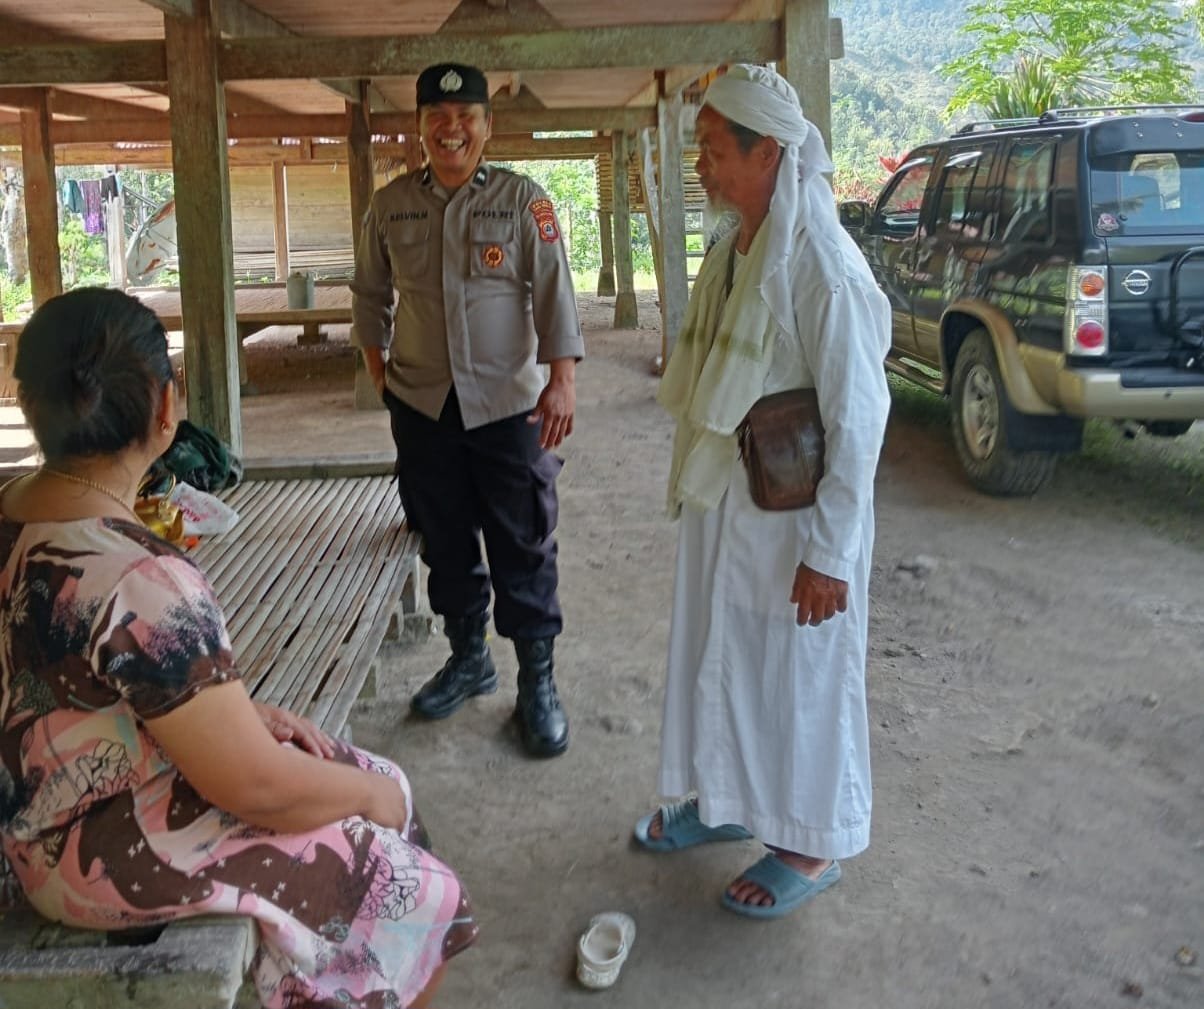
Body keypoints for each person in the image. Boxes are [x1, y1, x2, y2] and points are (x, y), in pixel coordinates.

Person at [0, 288, 477, 1008]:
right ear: (167, 408)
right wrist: (369, 796)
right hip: (85, 853)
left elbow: (81, 691)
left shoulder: (17, 511)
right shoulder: (142, 577)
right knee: (419, 883)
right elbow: (254, 786)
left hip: (42, 809)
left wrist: (232, 717)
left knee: (355, 775)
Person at [633, 65, 892, 919]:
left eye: (712, 151)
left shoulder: (822, 266)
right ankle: (724, 801)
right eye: (700, 150)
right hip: (731, 506)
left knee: (798, 677)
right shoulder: (738, 245)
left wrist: (830, 554)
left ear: (769, 152)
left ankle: (812, 847)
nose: (699, 166)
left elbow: (859, 417)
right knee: (726, 657)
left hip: (797, 529)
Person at [351, 62, 584, 758]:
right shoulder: (390, 204)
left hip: (509, 405)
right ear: (420, 125)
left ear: (487, 124)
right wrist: (379, 370)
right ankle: (467, 656)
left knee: (523, 539)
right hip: (422, 404)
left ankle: (536, 683)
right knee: (444, 537)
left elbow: (554, 291)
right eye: (437, 118)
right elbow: (369, 293)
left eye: (466, 117)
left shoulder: (523, 201)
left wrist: (562, 379)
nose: (452, 129)